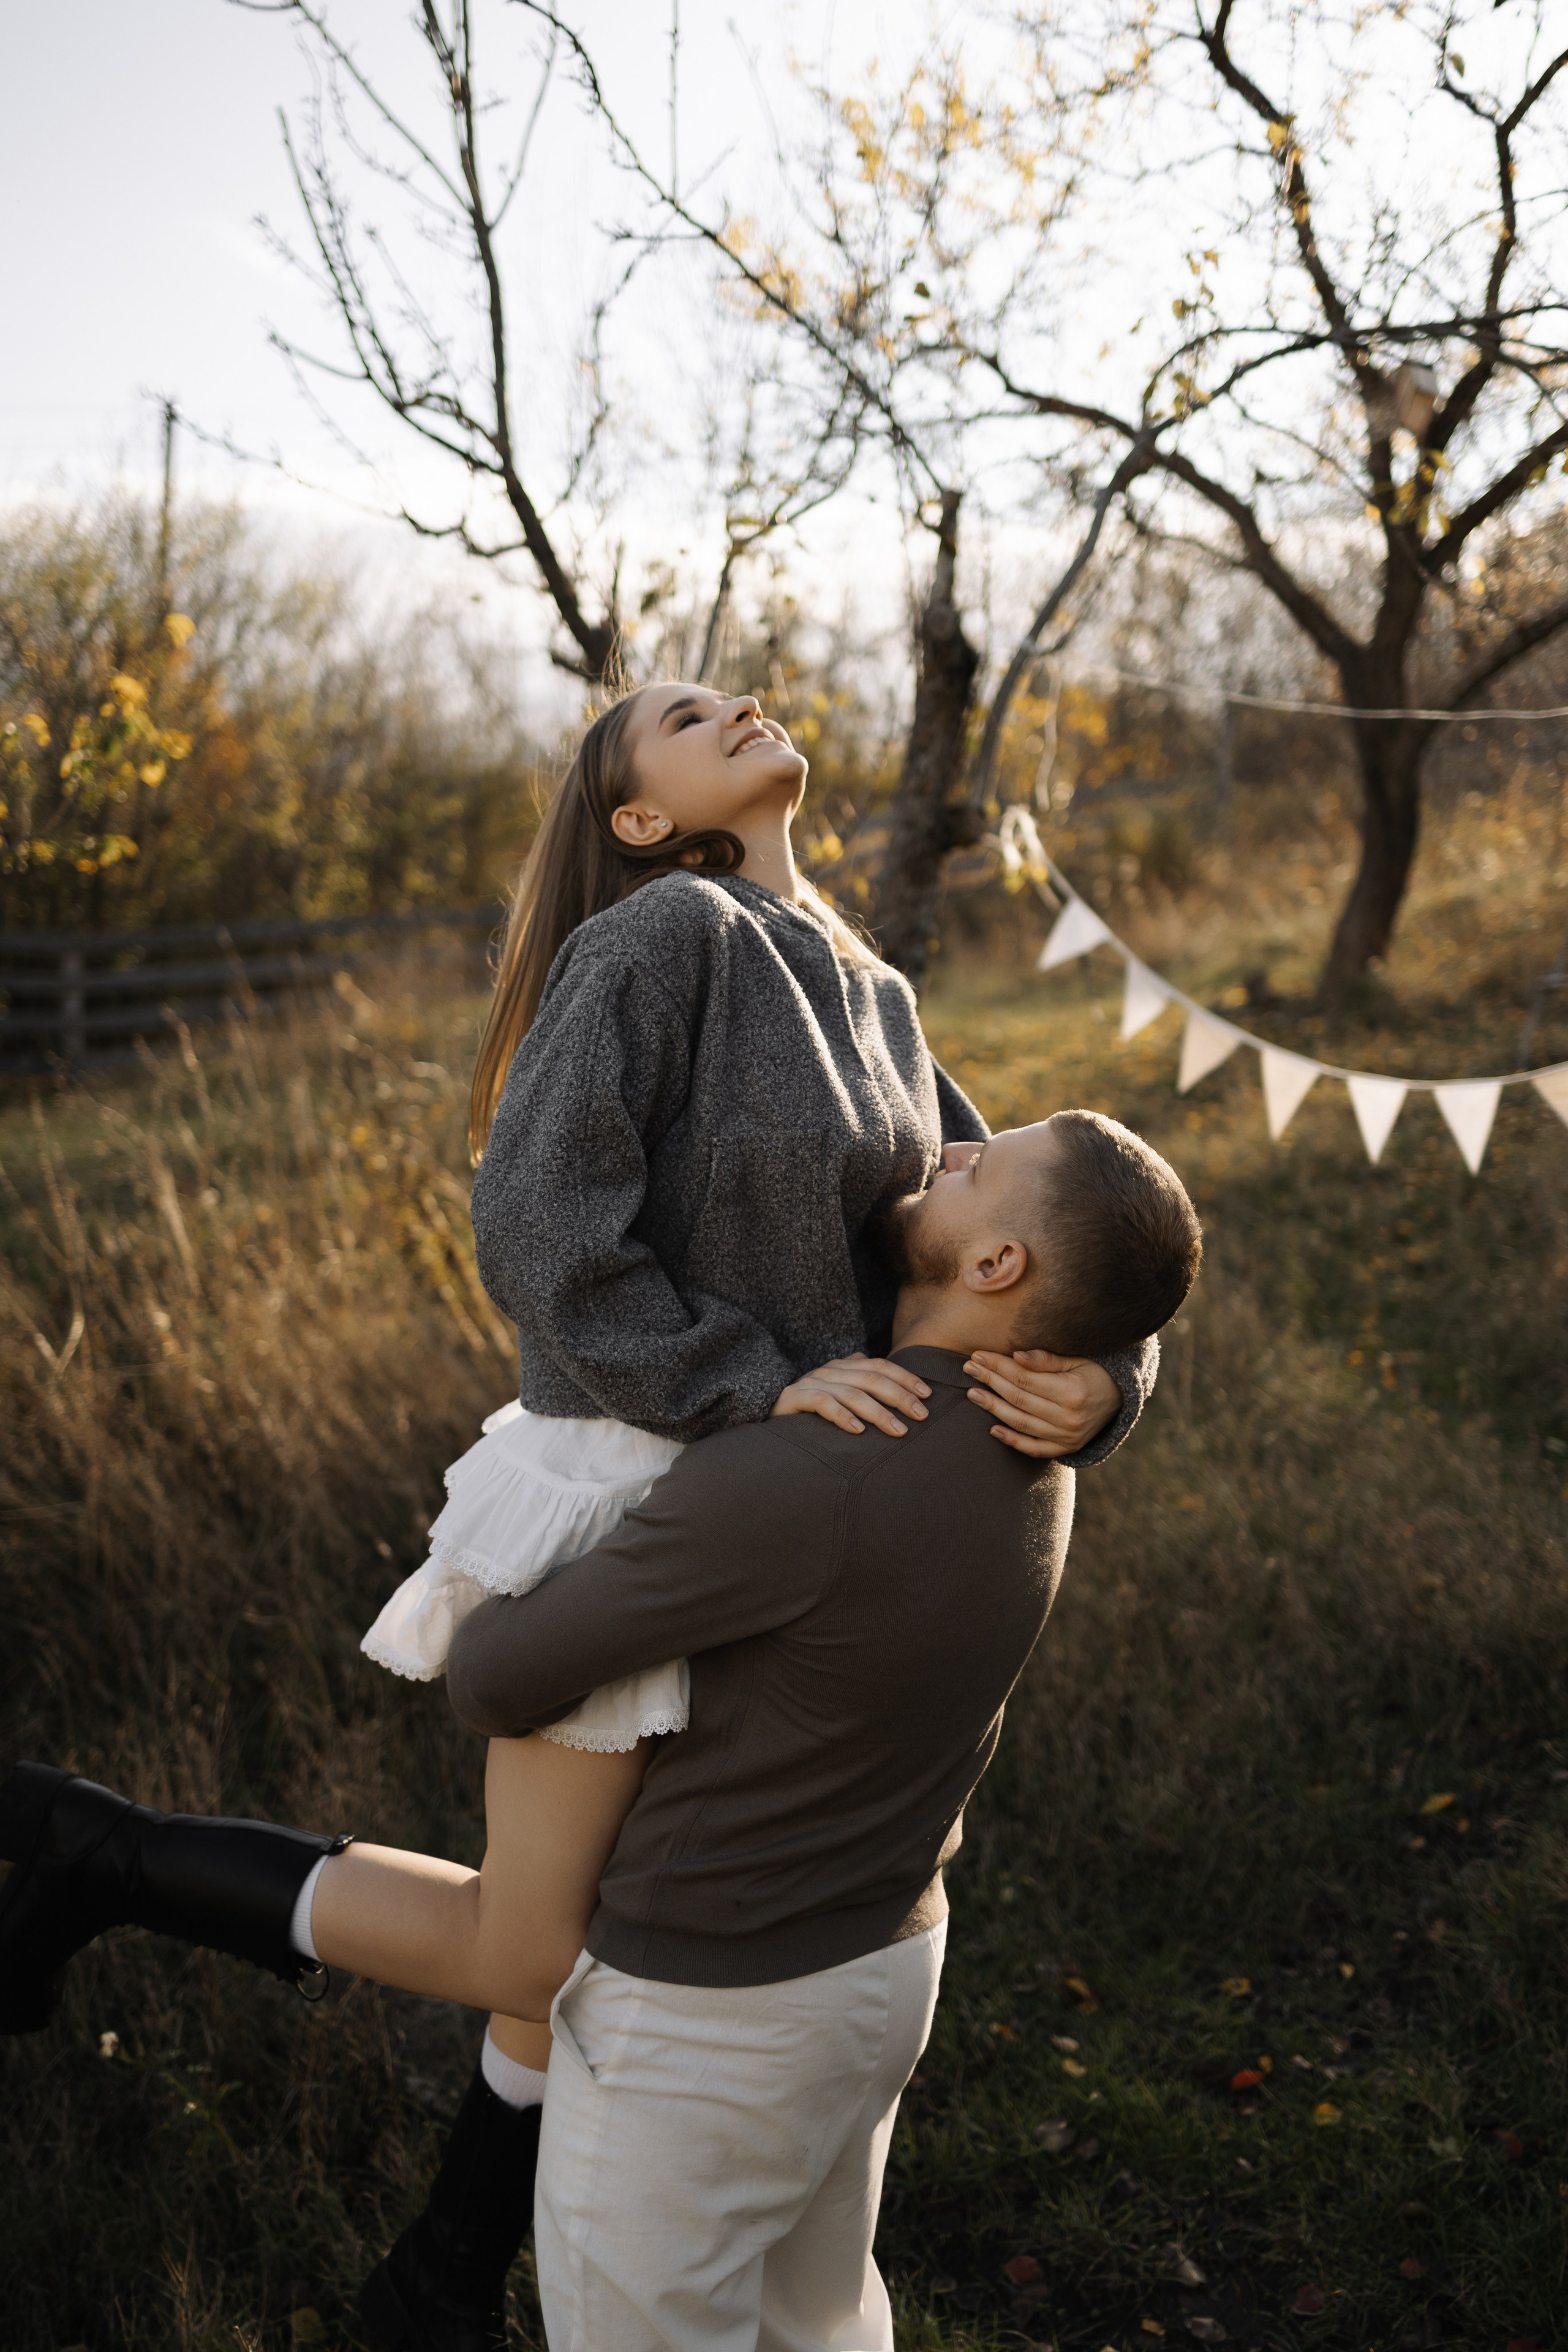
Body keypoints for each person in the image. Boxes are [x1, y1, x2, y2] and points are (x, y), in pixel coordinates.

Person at [0, 682, 1156, 2342]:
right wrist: (743, 1386)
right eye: (691, 714)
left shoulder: (873, 986)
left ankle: (440, 2274)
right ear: (636, 815)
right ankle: (94, 1851)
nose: (742, 698)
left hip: (785, 1522)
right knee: (532, 1953)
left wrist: (1112, 1390)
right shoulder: (660, 939)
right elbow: (540, 1225)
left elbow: (1063, 1225)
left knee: (612, 1945)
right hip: (640, 1471)